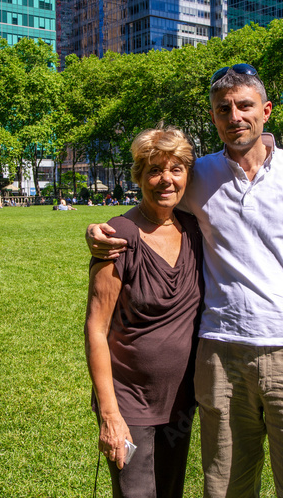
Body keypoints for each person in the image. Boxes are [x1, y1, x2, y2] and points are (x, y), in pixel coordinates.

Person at [88, 64, 283, 498]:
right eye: (223, 109)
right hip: (220, 358)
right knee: (224, 490)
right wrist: (98, 231)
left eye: (245, 106)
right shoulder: (200, 175)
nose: (235, 116)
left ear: (266, 111)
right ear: (213, 117)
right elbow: (154, 194)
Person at [85, 125, 203, 498]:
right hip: (130, 406)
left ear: (187, 175)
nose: (165, 180)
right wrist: (109, 414)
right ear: (138, 176)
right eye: (154, 170)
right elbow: (95, 329)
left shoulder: (195, 231)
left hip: (181, 404)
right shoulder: (120, 236)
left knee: (171, 492)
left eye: (175, 169)